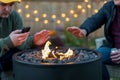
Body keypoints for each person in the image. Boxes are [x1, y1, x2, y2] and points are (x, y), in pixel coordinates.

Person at [67, 0, 120, 80]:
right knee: (94, 58)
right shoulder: (110, 6)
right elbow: (95, 20)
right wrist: (83, 30)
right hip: (113, 48)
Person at [0, 0, 50, 79]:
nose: (7, 8)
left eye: (11, 5)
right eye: (3, 4)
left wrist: (32, 41)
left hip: (7, 56)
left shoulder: (14, 16)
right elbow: (9, 42)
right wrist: (8, 42)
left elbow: (20, 46)